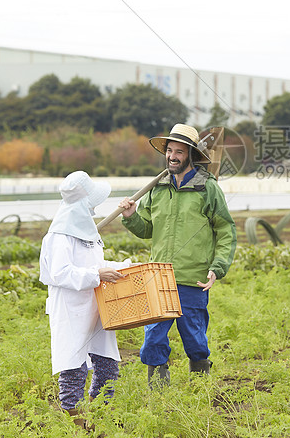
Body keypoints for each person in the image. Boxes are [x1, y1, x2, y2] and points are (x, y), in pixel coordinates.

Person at [118, 123, 237, 387]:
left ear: (191, 155)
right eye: (169, 150)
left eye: (179, 152)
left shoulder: (207, 188)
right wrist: (130, 217)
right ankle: (158, 397)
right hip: (158, 276)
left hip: (191, 277)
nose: (172, 156)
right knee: (153, 338)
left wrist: (217, 268)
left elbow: (225, 230)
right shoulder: (157, 188)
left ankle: (199, 387)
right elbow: (147, 229)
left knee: (195, 339)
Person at [39, 171, 132, 425]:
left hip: (96, 306)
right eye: (90, 202)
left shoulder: (88, 234)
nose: (93, 208)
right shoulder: (60, 236)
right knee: (73, 368)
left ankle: (99, 418)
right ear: (82, 203)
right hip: (72, 310)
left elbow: (95, 265)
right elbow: (60, 273)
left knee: (107, 365)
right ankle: (77, 425)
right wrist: (96, 274)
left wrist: (121, 268)